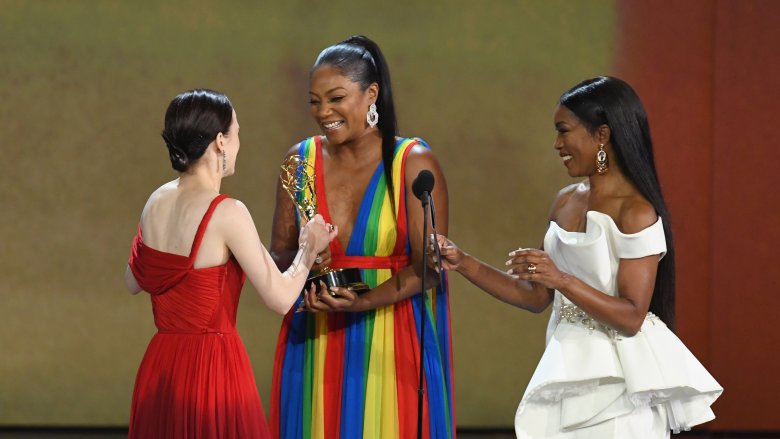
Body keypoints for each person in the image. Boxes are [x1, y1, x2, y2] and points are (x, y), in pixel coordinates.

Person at [433, 77, 722, 438]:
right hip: (565, 374)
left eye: (564, 131)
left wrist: (561, 278)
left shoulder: (636, 212)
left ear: (601, 135)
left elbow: (632, 316)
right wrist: (463, 262)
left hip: (618, 389)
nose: (557, 144)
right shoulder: (565, 201)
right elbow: (536, 297)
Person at [269, 35, 455, 439]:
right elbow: (280, 254)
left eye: (336, 98)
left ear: (371, 94)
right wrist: (305, 272)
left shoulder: (413, 162)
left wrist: (362, 302)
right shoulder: (299, 162)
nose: (324, 112)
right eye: (315, 102)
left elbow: (429, 269)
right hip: (314, 340)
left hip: (391, 342)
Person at [124, 89, 337, 438]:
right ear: (220, 141)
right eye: (237, 133)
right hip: (211, 367)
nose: (239, 142)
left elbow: (133, 280)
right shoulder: (227, 212)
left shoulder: (156, 201)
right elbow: (281, 298)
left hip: (161, 365)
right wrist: (309, 247)